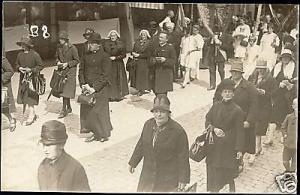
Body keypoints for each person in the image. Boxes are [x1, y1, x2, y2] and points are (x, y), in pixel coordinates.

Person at [128, 94, 190, 192]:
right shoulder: (148, 125)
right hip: (148, 175)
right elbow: (142, 144)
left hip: (167, 178)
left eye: (162, 112)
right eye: (156, 111)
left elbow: (183, 157)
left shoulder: (177, 131)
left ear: (168, 113)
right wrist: (133, 162)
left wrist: (183, 179)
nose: (159, 115)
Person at [214, 60, 257, 173]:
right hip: (226, 120)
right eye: (233, 71)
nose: (235, 74)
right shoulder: (224, 84)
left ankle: (239, 161)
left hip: (242, 121)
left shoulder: (249, 87)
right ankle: (227, 163)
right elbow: (216, 98)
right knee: (227, 142)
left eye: (237, 72)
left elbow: (254, 106)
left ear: (241, 73)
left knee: (240, 143)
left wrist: (249, 121)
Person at [205, 79, 245, 192]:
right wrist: (214, 129)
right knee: (213, 172)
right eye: (225, 92)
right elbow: (207, 120)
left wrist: (239, 150)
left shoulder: (238, 110)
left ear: (233, 94)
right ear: (221, 93)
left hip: (228, 148)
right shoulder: (216, 106)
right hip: (214, 147)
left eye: (229, 92)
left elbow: (240, 131)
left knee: (227, 175)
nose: (227, 94)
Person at [78, 32, 113, 142]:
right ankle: (95, 133)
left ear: (98, 44)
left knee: (99, 112)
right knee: (88, 112)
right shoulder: (85, 55)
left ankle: (104, 134)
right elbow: (81, 70)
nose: (90, 45)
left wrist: (95, 87)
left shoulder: (105, 56)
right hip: (87, 88)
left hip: (100, 89)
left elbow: (106, 75)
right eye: (89, 43)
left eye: (92, 43)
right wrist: (83, 84)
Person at [38, 120, 90, 192]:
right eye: (44, 144)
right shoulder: (42, 167)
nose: (45, 150)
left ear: (61, 144)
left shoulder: (75, 169)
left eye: (49, 145)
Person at [247, 60, 278, 164]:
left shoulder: (271, 79)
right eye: (258, 68)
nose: (260, 70)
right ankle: (258, 148)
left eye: (262, 69)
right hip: (254, 105)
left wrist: (264, 92)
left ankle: (255, 150)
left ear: (265, 69)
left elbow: (275, 93)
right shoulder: (252, 76)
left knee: (259, 128)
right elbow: (247, 86)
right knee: (254, 127)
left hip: (264, 107)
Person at [265, 49, 297, 146]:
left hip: (290, 96)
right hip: (278, 94)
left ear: (290, 58)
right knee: (274, 115)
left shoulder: (294, 67)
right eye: (283, 57)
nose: (285, 59)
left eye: (287, 57)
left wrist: (291, 85)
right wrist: (279, 84)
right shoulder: (277, 67)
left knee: (288, 116)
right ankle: (270, 137)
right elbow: (271, 79)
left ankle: (285, 137)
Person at [15, 36, 43, 126]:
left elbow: (40, 66)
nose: (22, 46)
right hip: (23, 79)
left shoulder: (35, 55)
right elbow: (16, 64)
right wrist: (19, 68)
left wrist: (31, 70)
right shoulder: (20, 54)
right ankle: (33, 113)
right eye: (22, 45)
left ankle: (31, 115)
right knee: (25, 96)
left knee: (31, 97)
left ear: (28, 46)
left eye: (24, 45)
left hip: (32, 79)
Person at [55, 31, 80, 119]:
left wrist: (67, 64)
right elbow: (56, 57)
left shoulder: (72, 48)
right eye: (60, 39)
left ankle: (63, 109)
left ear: (66, 40)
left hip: (70, 72)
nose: (60, 41)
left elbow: (77, 60)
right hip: (62, 71)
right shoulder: (59, 48)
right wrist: (57, 62)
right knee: (63, 89)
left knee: (66, 91)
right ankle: (68, 107)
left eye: (62, 39)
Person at [103, 30, 129, 101]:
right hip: (109, 64)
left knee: (118, 79)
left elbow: (124, 55)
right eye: (111, 36)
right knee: (110, 79)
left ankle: (119, 96)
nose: (112, 37)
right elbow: (103, 53)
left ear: (117, 36)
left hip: (118, 64)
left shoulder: (121, 43)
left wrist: (116, 58)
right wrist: (107, 58)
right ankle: (110, 96)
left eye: (114, 36)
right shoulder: (106, 43)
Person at [149, 31, 177, 96]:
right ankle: (158, 104)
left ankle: (163, 105)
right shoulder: (155, 47)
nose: (159, 39)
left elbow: (174, 60)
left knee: (163, 92)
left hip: (165, 73)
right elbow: (150, 57)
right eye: (159, 37)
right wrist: (154, 60)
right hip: (155, 72)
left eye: (161, 37)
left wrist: (165, 60)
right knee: (155, 89)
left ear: (166, 39)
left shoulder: (170, 48)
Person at [132, 30, 152, 96]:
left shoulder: (149, 43)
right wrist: (133, 53)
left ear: (147, 35)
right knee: (138, 75)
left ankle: (144, 88)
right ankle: (139, 88)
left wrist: (139, 55)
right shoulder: (137, 42)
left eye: (144, 35)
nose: (143, 36)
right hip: (137, 61)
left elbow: (149, 54)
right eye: (142, 35)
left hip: (145, 61)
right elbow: (133, 49)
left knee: (144, 75)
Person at [281, 98, 297, 173]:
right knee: (285, 161)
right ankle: (288, 170)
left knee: (294, 165)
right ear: (293, 106)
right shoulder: (289, 117)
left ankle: (291, 174)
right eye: (295, 105)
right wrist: (284, 135)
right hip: (288, 144)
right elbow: (283, 127)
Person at [2, 56, 17, 131]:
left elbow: (10, 71)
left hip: (2, 87)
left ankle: (11, 120)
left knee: (4, 107)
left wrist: (2, 77)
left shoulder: (3, 60)